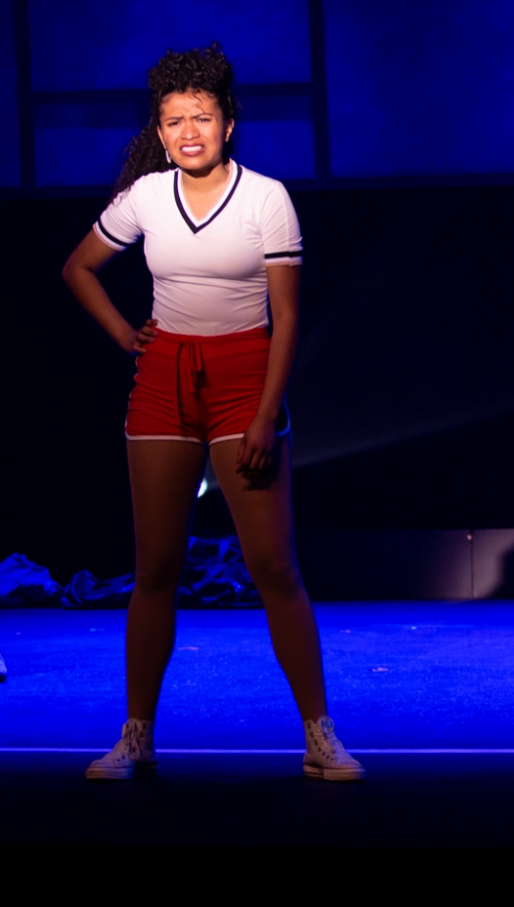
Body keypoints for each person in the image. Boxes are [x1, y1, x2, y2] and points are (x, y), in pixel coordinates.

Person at [60, 45, 361, 781]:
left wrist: (264, 413)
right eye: (173, 121)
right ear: (160, 132)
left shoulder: (266, 198)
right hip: (163, 380)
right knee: (156, 567)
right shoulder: (146, 197)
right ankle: (136, 737)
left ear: (228, 122)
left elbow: (287, 318)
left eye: (201, 117)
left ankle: (320, 737)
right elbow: (78, 268)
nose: (188, 131)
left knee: (273, 566)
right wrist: (125, 334)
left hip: (243, 379)